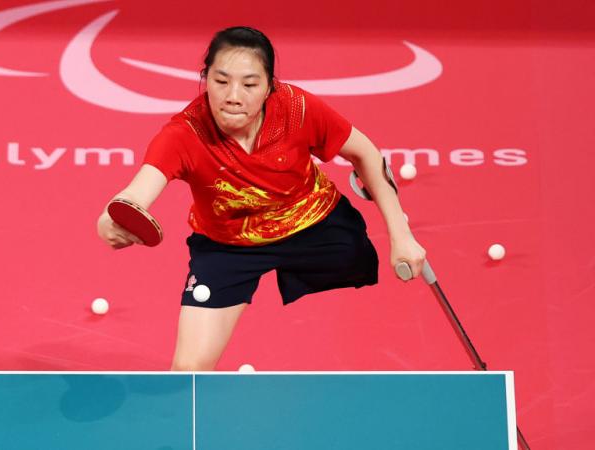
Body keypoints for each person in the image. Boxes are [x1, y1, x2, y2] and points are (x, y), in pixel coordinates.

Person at [96, 26, 426, 371]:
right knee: (188, 371)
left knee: (371, 283)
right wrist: (108, 220)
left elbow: (366, 154)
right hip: (228, 245)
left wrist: (402, 236)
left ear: (270, 86)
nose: (233, 96)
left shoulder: (297, 109)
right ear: (204, 78)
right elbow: (136, 193)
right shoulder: (183, 135)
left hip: (317, 226)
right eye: (221, 81)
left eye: (249, 84)